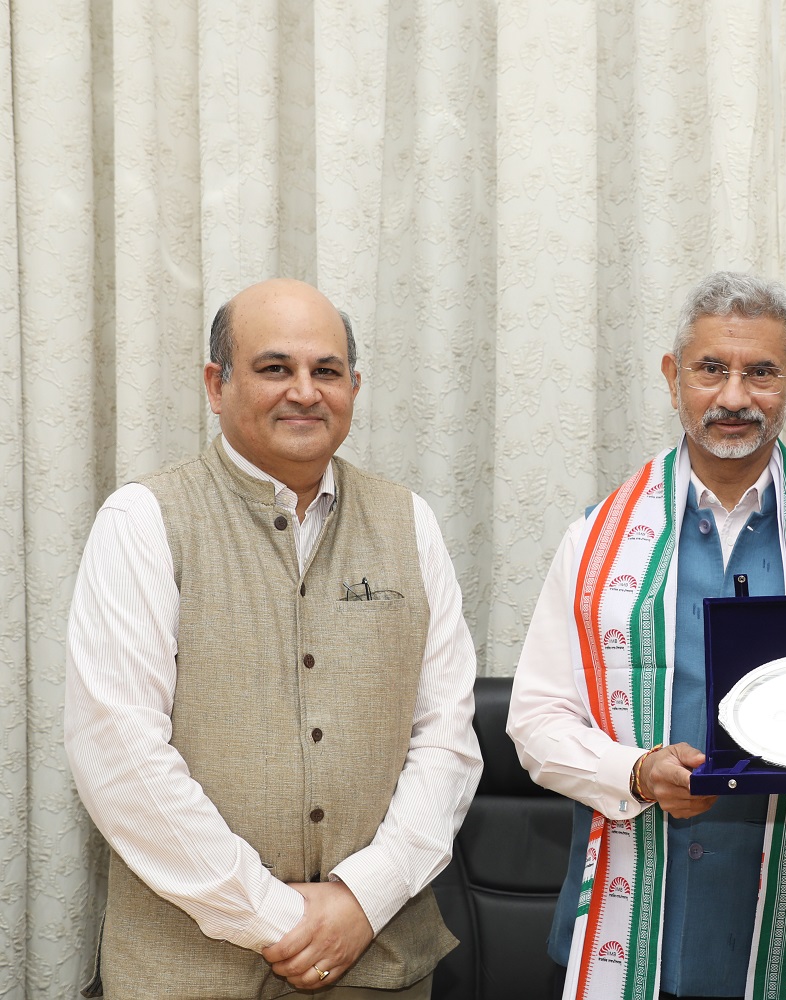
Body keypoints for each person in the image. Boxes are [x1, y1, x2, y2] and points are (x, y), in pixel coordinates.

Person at [65, 279, 483, 999]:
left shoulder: (408, 520)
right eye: (273, 368)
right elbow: (118, 754)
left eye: (326, 371)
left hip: (379, 965)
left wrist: (364, 898)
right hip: (187, 972)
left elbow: (445, 738)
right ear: (215, 385)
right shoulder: (142, 520)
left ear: (353, 386)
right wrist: (275, 917)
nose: (304, 392)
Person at [508, 272, 786, 1000]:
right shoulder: (595, 541)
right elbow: (535, 722)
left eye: (761, 373)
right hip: (624, 921)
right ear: (674, 377)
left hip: (778, 927)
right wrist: (638, 772)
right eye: (712, 369)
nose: (735, 398)